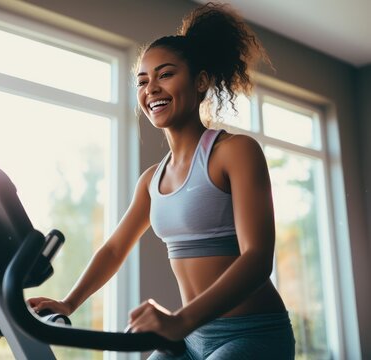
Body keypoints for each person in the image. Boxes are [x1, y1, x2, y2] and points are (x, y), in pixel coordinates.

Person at [28, 2, 295, 359]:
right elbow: (113, 249)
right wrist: (68, 302)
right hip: (189, 336)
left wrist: (179, 321)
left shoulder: (235, 152)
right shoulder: (152, 180)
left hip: (251, 333)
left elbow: (258, 257)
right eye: (142, 81)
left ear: (200, 81)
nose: (151, 88)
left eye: (165, 75)